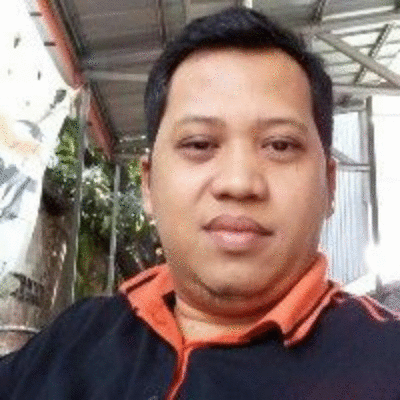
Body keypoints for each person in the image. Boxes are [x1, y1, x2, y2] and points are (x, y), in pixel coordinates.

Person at [1, 7, 400, 400]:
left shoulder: (386, 363)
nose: (239, 183)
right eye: (199, 144)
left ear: (330, 185)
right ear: (148, 184)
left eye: (280, 145)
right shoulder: (76, 339)